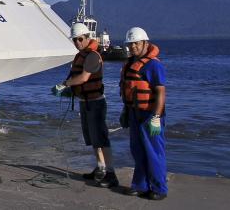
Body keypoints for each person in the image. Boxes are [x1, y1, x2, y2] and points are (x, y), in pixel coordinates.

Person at [52, 23, 118, 187]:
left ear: (88, 38)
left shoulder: (93, 56)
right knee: (92, 138)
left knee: (101, 138)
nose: (77, 43)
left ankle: (111, 173)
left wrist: (66, 84)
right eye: (74, 40)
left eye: (80, 39)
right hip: (84, 102)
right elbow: (74, 76)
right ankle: (100, 167)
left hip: (95, 102)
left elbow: (83, 78)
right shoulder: (79, 56)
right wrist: (68, 89)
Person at [119, 27, 167, 200]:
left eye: (136, 44)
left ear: (145, 43)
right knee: (137, 150)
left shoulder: (154, 65)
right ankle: (140, 185)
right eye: (130, 44)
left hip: (149, 115)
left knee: (154, 151)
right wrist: (125, 111)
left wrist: (155, 117)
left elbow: (161, 92)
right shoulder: (129, 64)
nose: (133, 47)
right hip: (134, 112)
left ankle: (159, 188)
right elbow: (128, 89)